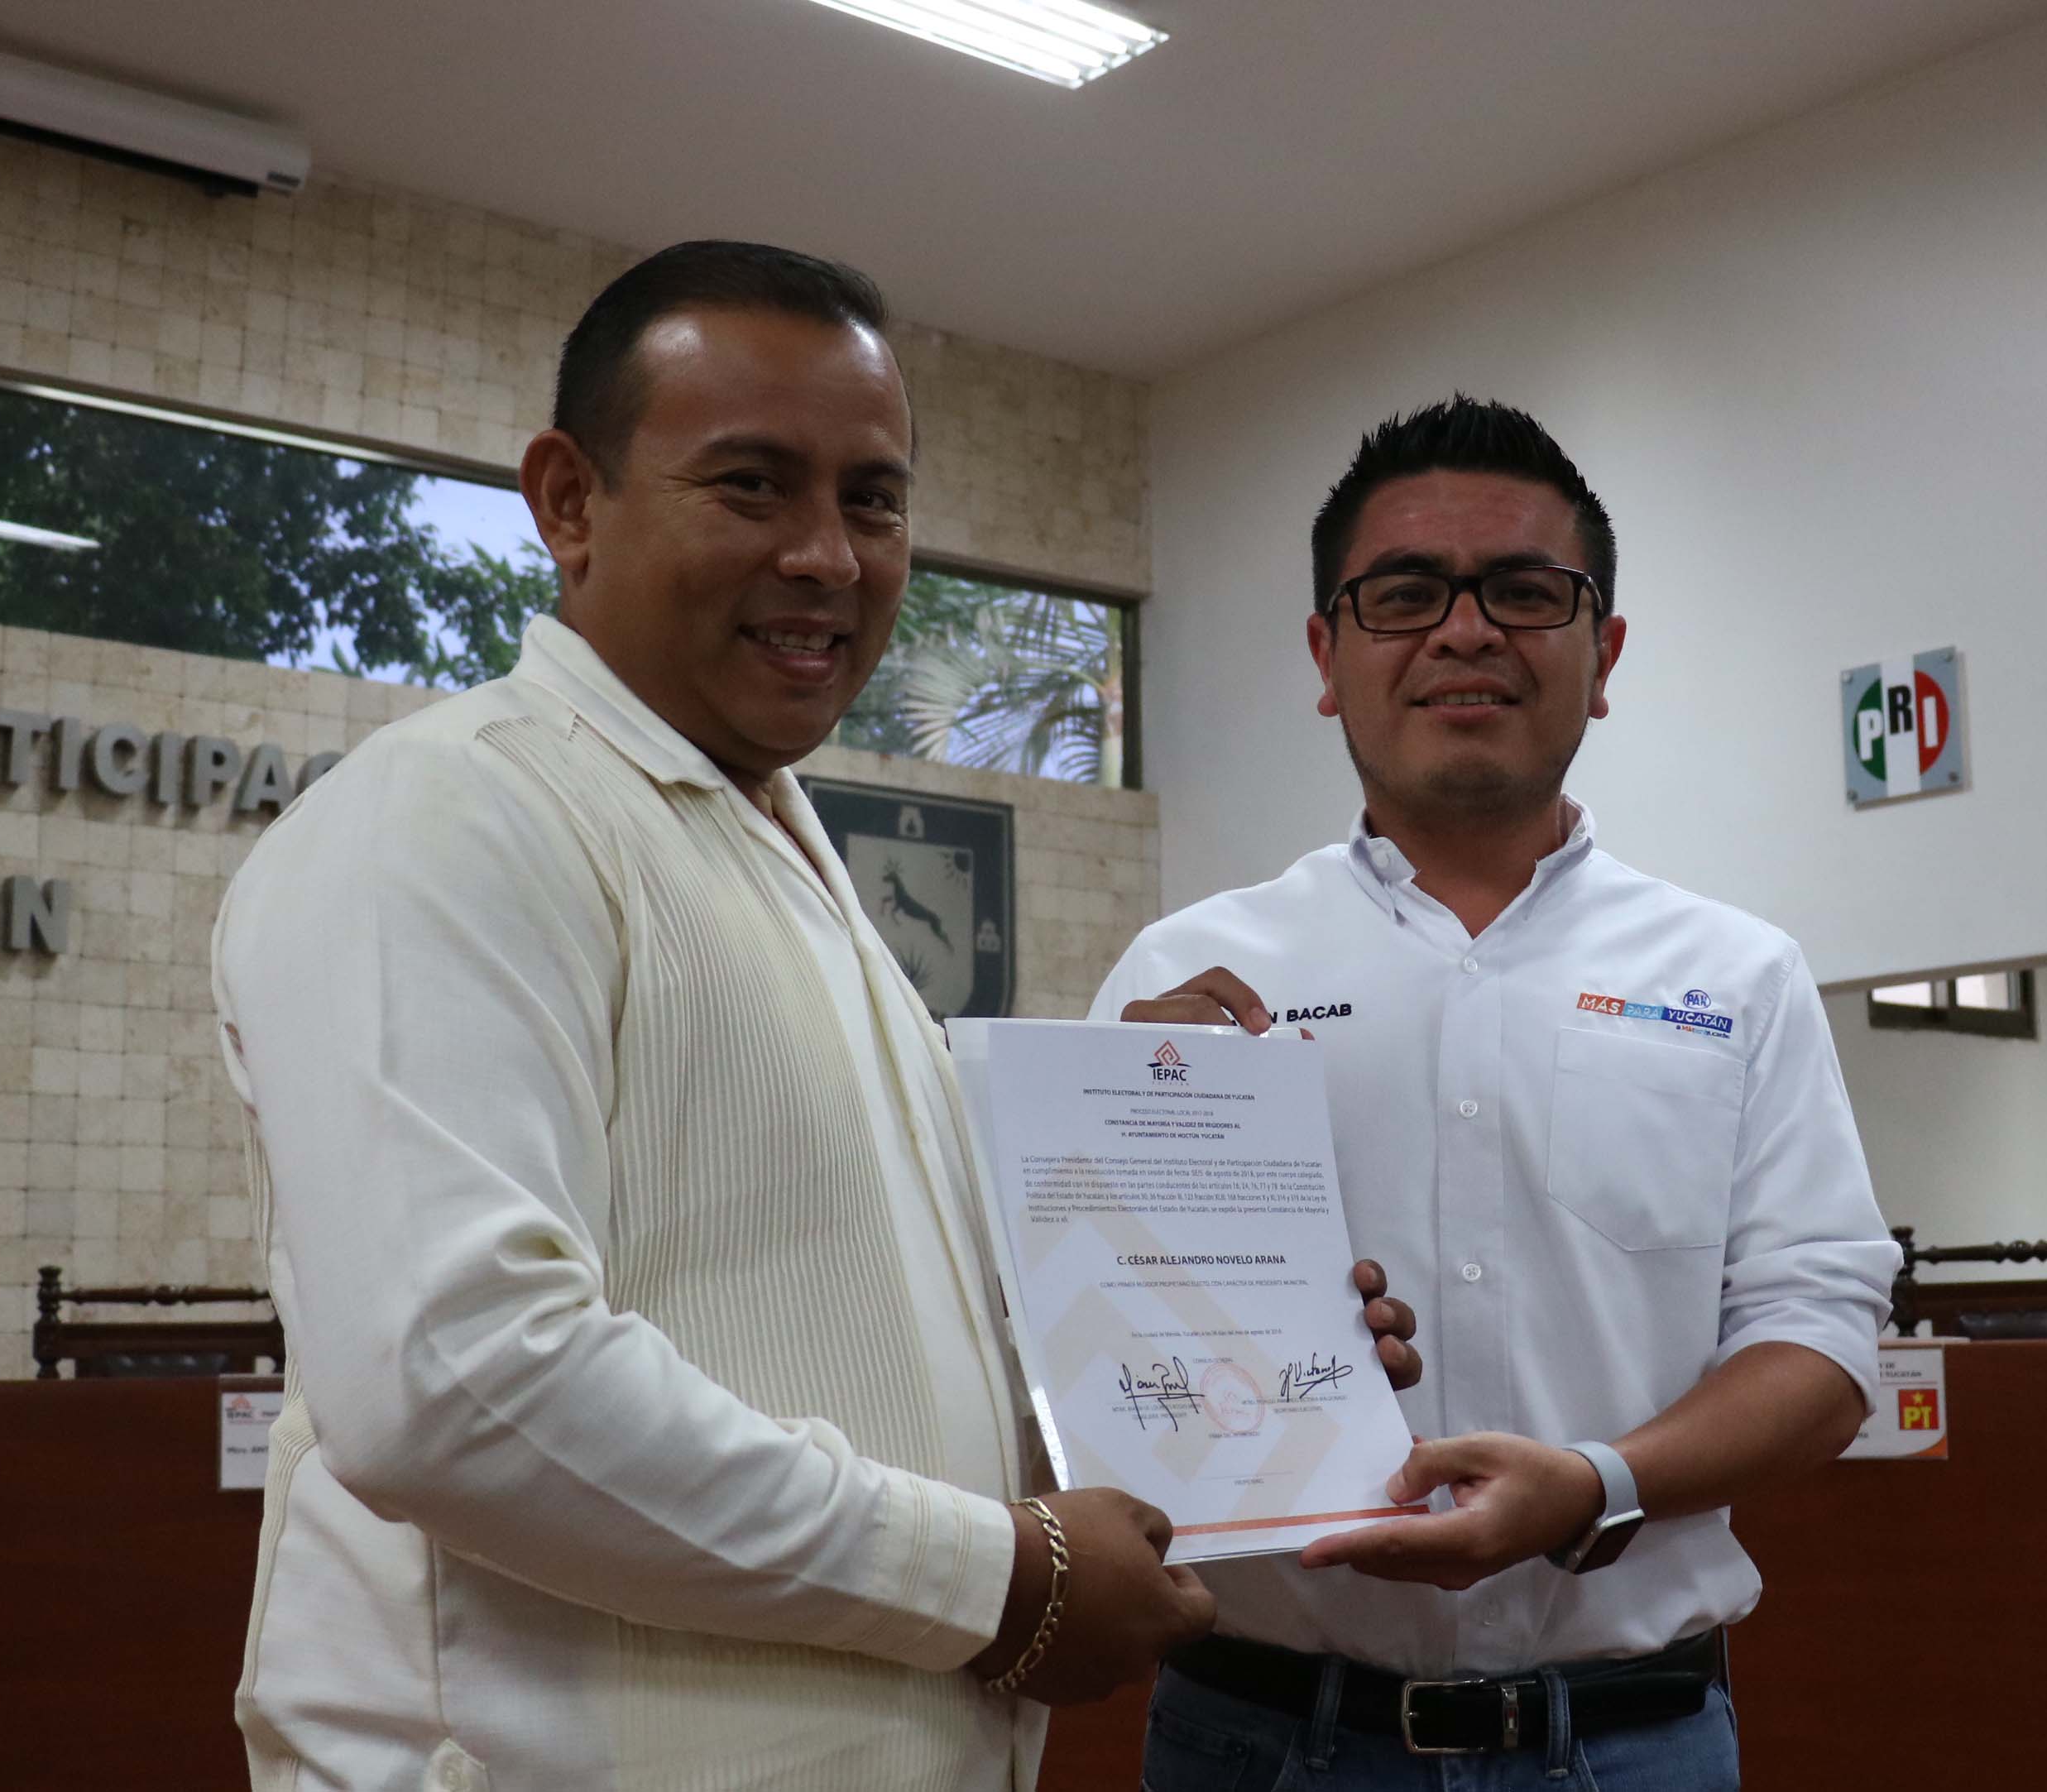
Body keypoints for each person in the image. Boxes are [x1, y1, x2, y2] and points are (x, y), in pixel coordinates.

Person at [212, 242, 1272, 1792]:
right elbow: (456, 1380)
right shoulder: (451, 813)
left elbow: (862, 1315)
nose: (829, 557)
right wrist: (999, 1581)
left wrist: (1196, 1258)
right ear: (568, 500)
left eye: (873, 500)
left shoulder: (772, 849)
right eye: (752, 486)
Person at [1091, 396, 1901, 1790]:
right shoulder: (1183, 980)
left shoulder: (1736, 974)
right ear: (1326, 657)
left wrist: (1595, 1483)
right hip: (1261, 1736)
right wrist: (1117, 1130)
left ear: (1603, 655)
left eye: (1523, 591)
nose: (1464, 631)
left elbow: (1820, 1344)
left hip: (1630, 1742)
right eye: (1405, 593)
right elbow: (1067, 1338)